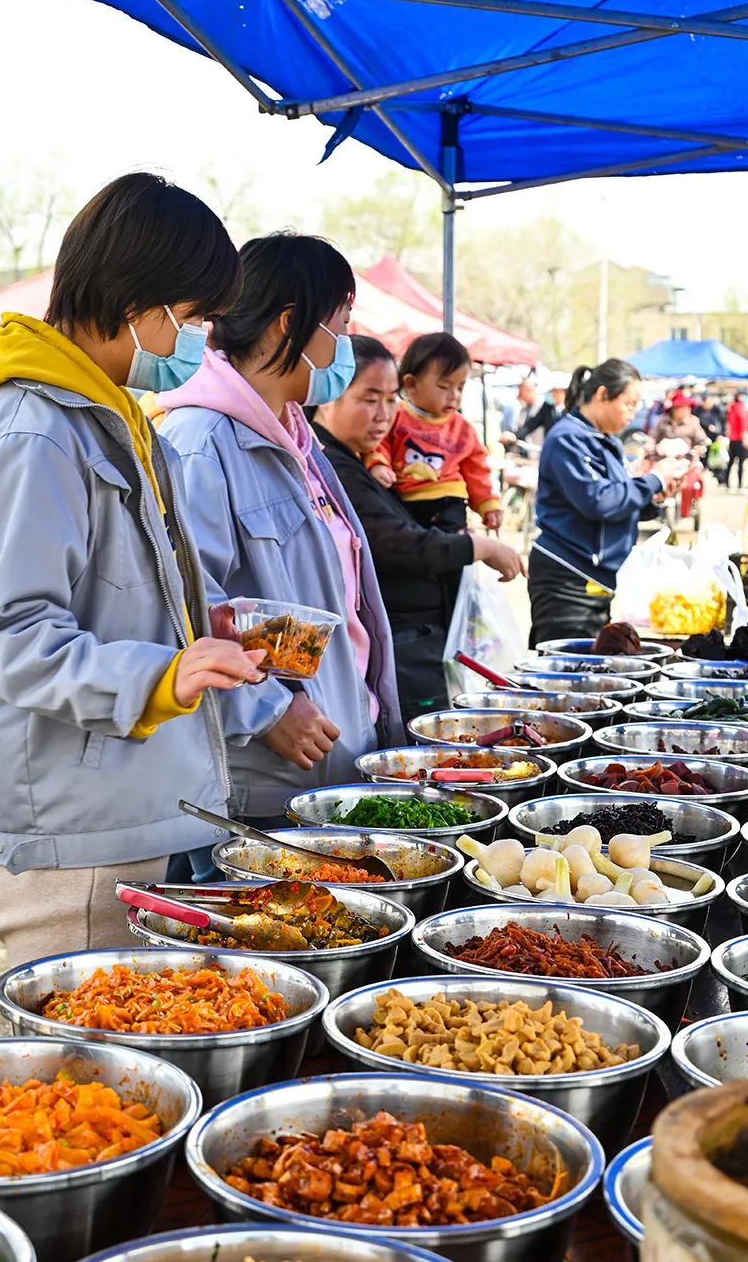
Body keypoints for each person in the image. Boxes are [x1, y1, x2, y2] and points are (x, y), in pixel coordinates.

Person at [0, 173, 268, 968]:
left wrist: (200, 629)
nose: (195, 339)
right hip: (66, 819)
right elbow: (10, 639)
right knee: (79, 1070)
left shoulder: (104, 418)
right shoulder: (32, 435)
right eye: (192, 318)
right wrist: (165, 674)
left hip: (112, 797)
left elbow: (117, 589)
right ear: (139, 306)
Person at [159, 233, 402, 828]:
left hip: (336, 754)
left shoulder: (296, 438)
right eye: (340, 327)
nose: (345, 347)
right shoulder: (200, 444)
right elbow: (184, 607)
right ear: (288, 324)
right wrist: (265, 709)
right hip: (266, 781)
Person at [315, 336, 524, 720]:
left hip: (419, 640)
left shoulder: (356, 462)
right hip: (402, 641)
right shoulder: (333, 466)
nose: (384, 414)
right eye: (369, 398)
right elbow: (394, 543)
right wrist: (480, 548)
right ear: (328, 395)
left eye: (391, 399)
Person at [528, 359, 685, 646]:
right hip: (567, 580)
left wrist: (655, 497)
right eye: (629, 403)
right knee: (569, 669)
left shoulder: (605, 440)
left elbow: (619, 501)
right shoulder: (568, 439)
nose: (633, 412)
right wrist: (654, 480)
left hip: (595, 579)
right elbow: (599, 501)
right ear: (602, 394)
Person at [365, 331, 502, 533]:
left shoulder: (463, 429)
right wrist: (378, 465)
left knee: (450, 549)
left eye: (460, 387)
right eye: (444, 386)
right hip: (403, 500)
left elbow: (476, 469)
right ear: (411, 384)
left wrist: (487, 503)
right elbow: (379, 442)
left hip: (448, 501)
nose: (454, 396)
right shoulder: (396, 415)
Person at [517, 372, 568, 443]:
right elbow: (530, 425)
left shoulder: (572, 410)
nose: (551, 394)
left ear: (561, 391)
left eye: (554, 391)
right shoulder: (547, 408)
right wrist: (514, 436)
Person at [652, 390, 709, 454]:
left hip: (687, 459)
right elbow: (653, 437)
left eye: (688, 408)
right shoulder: (663, 420)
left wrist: (700, 447)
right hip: (663, 458)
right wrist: (652, 445)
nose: (686, 410)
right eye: (682, 408)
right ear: (673, 409)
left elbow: (701, 439)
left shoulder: (693, 421)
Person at [726, 392, 748, 489]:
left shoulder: (731, 408)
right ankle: (740, 484)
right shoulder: (741, 409)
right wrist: (746, 439)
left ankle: (727, 483)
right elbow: (743, 425)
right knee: (741, 463)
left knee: (731, 462)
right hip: (740, 439)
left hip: (732, 438)